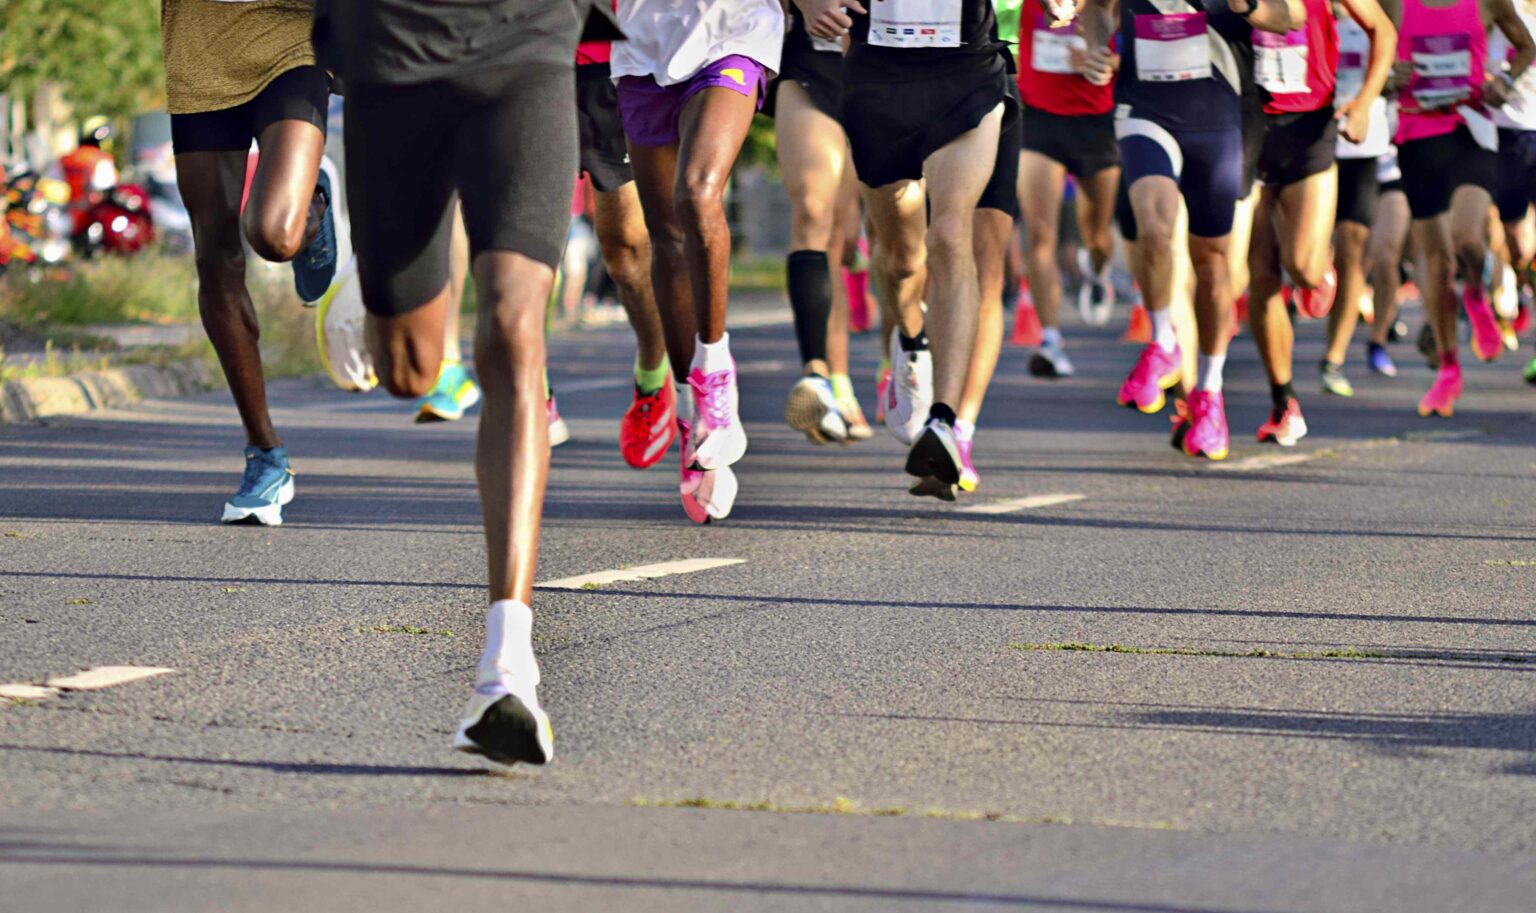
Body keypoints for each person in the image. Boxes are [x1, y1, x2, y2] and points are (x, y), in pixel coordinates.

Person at [312, 0, 617, 766]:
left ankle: (507, 664)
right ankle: (363, 270)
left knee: (516, 331)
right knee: (410, 370)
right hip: (395, 54)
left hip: (527, 44)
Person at [800, 0, 1007, 499]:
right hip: (878, 75)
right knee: (899, 260)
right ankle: (911, 344)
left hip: (967, 66)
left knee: (950, 233)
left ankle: (944, 420)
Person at [1086, 0, 1297, 462]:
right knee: (1155, 230)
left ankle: (1209, 392)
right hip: (1145, 107)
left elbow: (1293, 15)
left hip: (1221, 117)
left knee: (1215, 266)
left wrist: (1250, 6)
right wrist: (1096, 45)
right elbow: (1096, 8)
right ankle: (1162, 340)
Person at [162, 0, 338, 526]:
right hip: (198, 56)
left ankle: (312, 206)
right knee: (214, 256)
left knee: (273, 235)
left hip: (292, 43)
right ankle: (265, 454)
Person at [613, 0, 784, 522]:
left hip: (733, 35)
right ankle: (693, 416)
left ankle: (715, 375)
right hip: (642, 48)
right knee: (665, 235)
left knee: (698, 193)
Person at [1247, 0, 1396, 448]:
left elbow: (1382, 30)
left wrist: (1366, 102)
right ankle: (1283, 400)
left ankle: (1320, 263)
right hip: (1246, 127)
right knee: (1260, 275)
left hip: (1309, 127)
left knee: (1302, 268)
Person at [1392, 0, 1533, 417]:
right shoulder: (1394, 3)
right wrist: (1386, 76)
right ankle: (1448, 371)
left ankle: (1475, 291)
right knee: (1435, 266)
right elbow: (1375, 45)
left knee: (1468, 236)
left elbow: (1526, 46)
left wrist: (1504, 80)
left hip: (1470, 128)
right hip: (1417, 132)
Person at [770, 10, 875, 445]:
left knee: (846, 237)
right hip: (811, 60)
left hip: (886, 66)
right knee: (813, 210)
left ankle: (866, 370)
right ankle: (820, 375)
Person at [1015, 0, 1123, 379]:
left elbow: (1138, 40)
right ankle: (1050, 339)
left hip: (1096, 121)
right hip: (1041, 120)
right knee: (1041, 235)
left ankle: (1097, 272)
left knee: (1097, 235)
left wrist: (1109, 62)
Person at [1319, 8, 1405, 389]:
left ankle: (1333, 358)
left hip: (1363, 147)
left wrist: (1384, 85)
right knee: (1302, 258)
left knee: (1355, 252)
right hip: (1304, 142)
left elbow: (1394, 48)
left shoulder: (1378, 11)